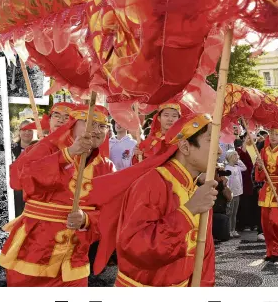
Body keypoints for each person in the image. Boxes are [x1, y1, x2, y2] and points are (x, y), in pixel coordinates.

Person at [87, 112, 218, 287]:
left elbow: (204, 253)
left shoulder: (196, 188)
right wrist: (188, 211)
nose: (219, 150)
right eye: (211, 141)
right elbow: (136, 247)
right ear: (185, 147)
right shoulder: (152, 183)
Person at [0, 104, 113, 286]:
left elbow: (112, 212)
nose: (96, 130)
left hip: (75, 256)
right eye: (90, 122)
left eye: (102, 125)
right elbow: (21, 179)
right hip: (34, 247)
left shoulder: (106, 166)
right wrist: (68, 154)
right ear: (73, 125)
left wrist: (86, 219)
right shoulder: (46, 148)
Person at [253, 123, 278, 263]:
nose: (273, 136)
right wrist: (259, 167)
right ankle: (270, 250)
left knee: (274, 222)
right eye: (271, 133)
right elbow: (260, 177)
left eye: (276, 134)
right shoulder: (263, 151)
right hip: (267, 189)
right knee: (265, 223)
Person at [11, 119, 39, 215]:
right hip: (17, 195)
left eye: (30, 130)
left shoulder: (41, 148)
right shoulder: (11, 149)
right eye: (24, 129)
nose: (27, 132)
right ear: (19, 131)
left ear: (34, 131)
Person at [224, 150, 245, 237]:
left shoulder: (237, 167)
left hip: (238, 193)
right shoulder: (227, 168)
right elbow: (227, 182)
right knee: (230, 212)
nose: (237, 157)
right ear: (231, 157)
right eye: (235, 156)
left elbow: (244, 168)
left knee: (235, 213)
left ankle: (233, 229)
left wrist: (239, 160)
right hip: (231, 194)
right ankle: (229, 230)